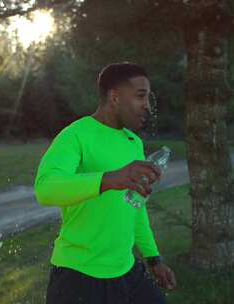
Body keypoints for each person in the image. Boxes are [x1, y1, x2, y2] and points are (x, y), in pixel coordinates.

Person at [35, 62, 176, 304]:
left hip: (127, 271)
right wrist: (109, 179)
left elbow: (136, 206)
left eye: (148, 98)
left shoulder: (133, 142)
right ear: (115, 97)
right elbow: (46, 188)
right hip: (78, 276)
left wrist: (153, 259)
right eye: (140, 96)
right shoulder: (75, 135)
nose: (147, 107)